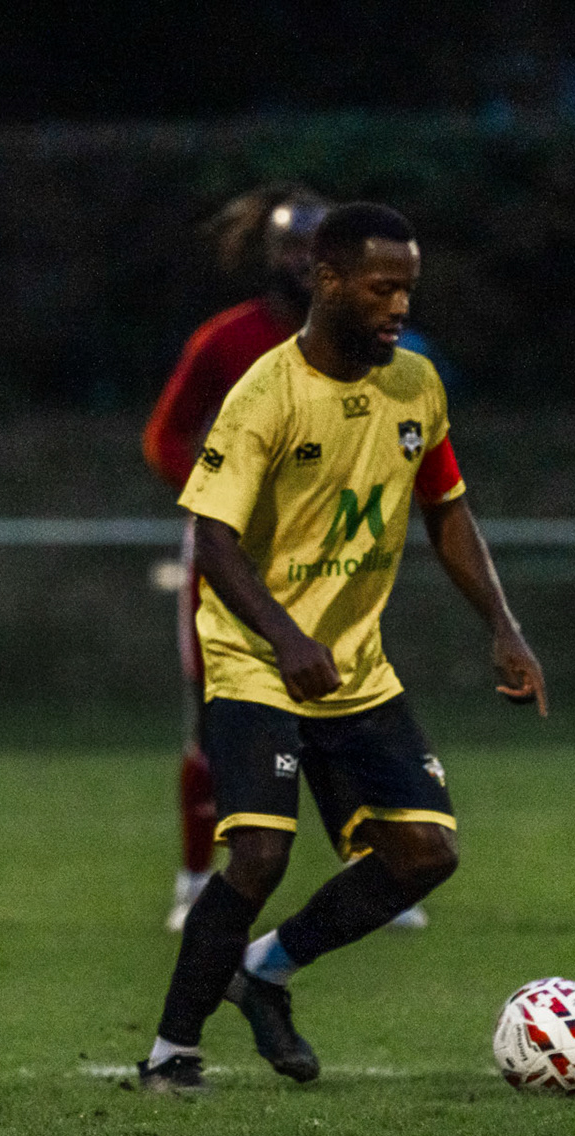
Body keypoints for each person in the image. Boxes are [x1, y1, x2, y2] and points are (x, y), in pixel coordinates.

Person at [135, 202, 549, 1093]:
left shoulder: (415, 387)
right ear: (328, 281)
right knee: (259, 853)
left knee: (426, 854)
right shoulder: (265, 395)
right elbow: (212, 537)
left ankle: (264, 972)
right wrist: (284, 639)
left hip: (354, 668)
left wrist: (503, 626)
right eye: (382, 286)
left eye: (408, 287)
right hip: (257, 658)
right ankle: (172, 1054)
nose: (400, 305)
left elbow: (446, 510)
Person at [143, 185, 431, 932]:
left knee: (345, 698)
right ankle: (193, 877)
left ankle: (375, 863)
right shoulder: (226, 341)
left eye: (314, 247)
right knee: (215, 714)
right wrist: (224, 489)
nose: (302, 262)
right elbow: (164, 437)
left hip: (329, 549)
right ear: (270, 257)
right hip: (234, 552)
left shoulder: (371, 345)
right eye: (290, 248)